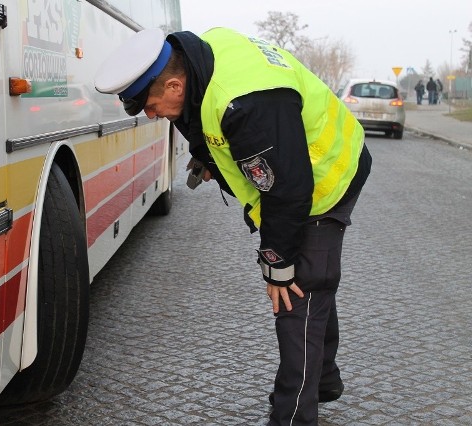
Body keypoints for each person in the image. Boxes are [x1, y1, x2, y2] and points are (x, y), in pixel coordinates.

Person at [94, 27, 371, 426]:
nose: (152, 116)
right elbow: (204, 122)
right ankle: (323, 378)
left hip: (327, 176)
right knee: (312, 285)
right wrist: (209, 158)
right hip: (296, 173)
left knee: (298, 290)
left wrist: (277, 264)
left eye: (151, 105)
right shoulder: (200, 60)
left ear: (174, 84)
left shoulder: (245, 102)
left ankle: (293, 415)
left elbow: (288, 192)